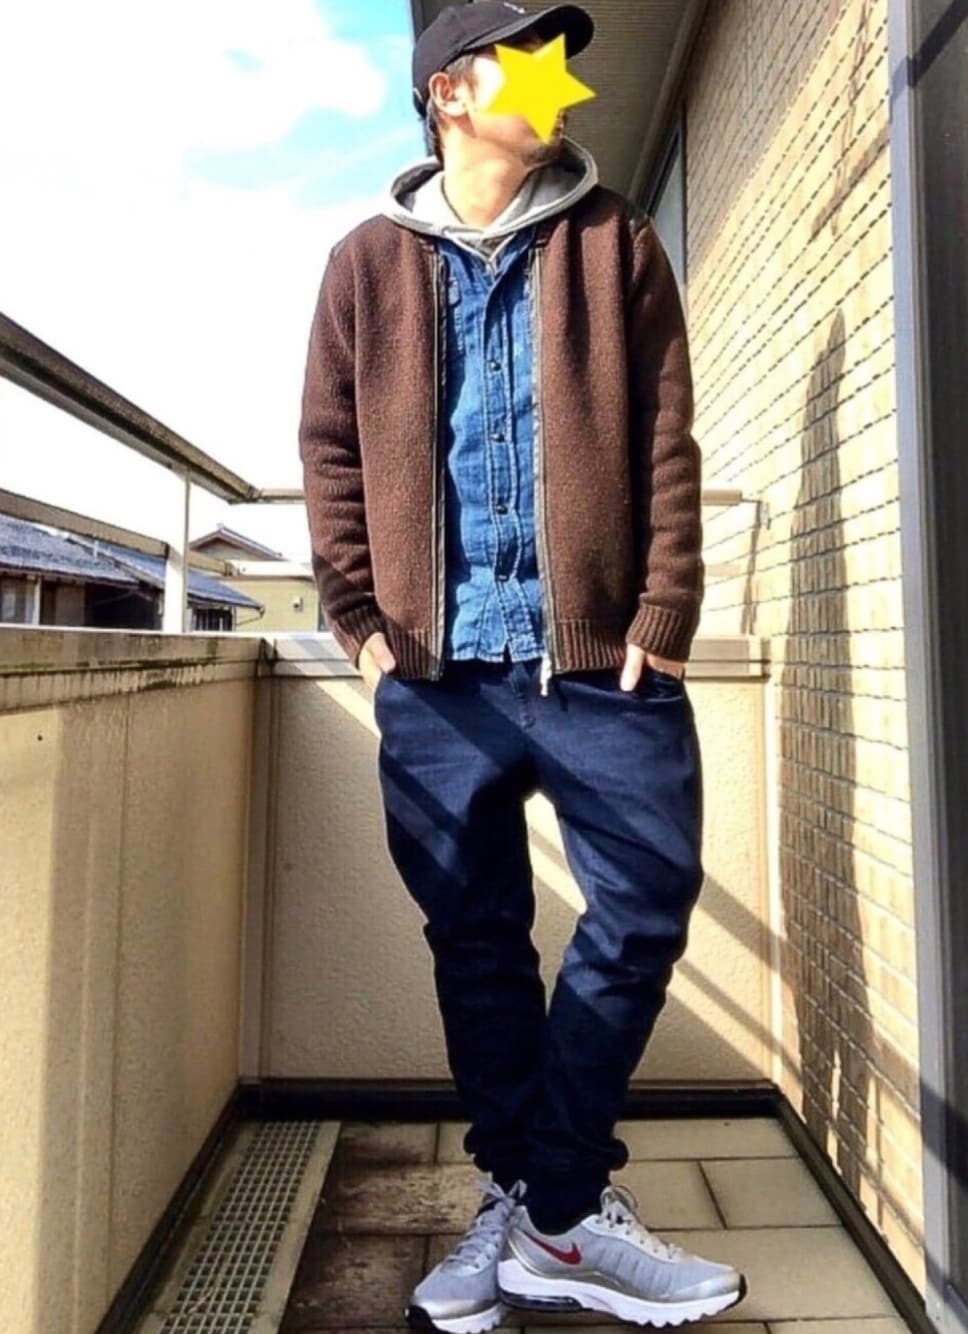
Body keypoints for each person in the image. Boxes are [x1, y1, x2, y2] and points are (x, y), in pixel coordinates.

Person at [298, 2, 748, 1328]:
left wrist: (663, 612)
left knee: (645, 908)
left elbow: (666, 437)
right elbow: (330, 451)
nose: (561, 80)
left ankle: (550, 1204)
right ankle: (536, 1207)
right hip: (435, 672)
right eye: (527, 58)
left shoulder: (618, 242)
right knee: (477, 938)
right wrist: (359, 621)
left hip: (601, 660)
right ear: (449, 92)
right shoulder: (363, 265)